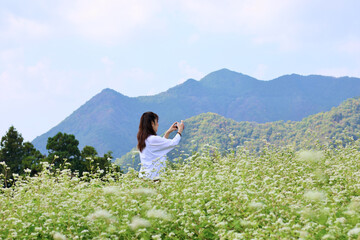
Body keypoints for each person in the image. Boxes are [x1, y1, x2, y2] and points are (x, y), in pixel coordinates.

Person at [137, 112, 184, 180]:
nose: (158, 124)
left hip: (144, 177)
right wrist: (179, 131)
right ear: (152, 124)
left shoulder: (143, 138)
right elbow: (173, 143)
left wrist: (168, 132)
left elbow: (160, 146)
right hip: (153, 178)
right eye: (157, 122)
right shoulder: (152, 139)